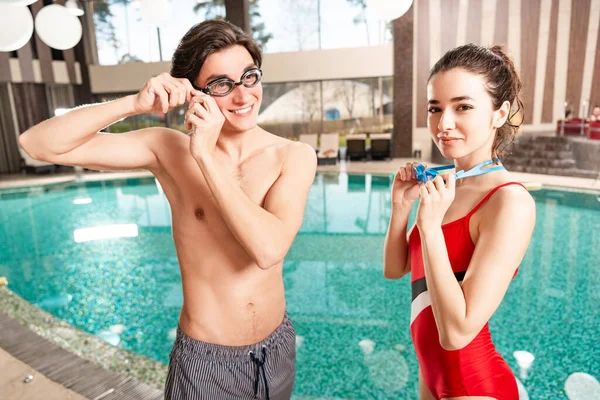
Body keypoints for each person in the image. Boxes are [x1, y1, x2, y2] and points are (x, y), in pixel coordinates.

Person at [19, 20, 317, 400]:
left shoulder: (293, 156)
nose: (243, 97)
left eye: (249, 77)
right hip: (206, 363)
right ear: (195, 93)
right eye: (222, 84)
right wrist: (133, 104)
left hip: (275, 350)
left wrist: (206, 157)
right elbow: (38, 144)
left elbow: (269, 249)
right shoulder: (168, 149)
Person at [383, 43, 536, 400]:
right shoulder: (448, 185)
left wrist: (432, 226)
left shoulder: (508, 201)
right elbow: (395, 269)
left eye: (463, 107)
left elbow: (456, 333)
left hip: (473, 386)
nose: (444, 124)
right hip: (431, 377)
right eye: (435, 108)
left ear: (500, 114)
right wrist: (399, 208)